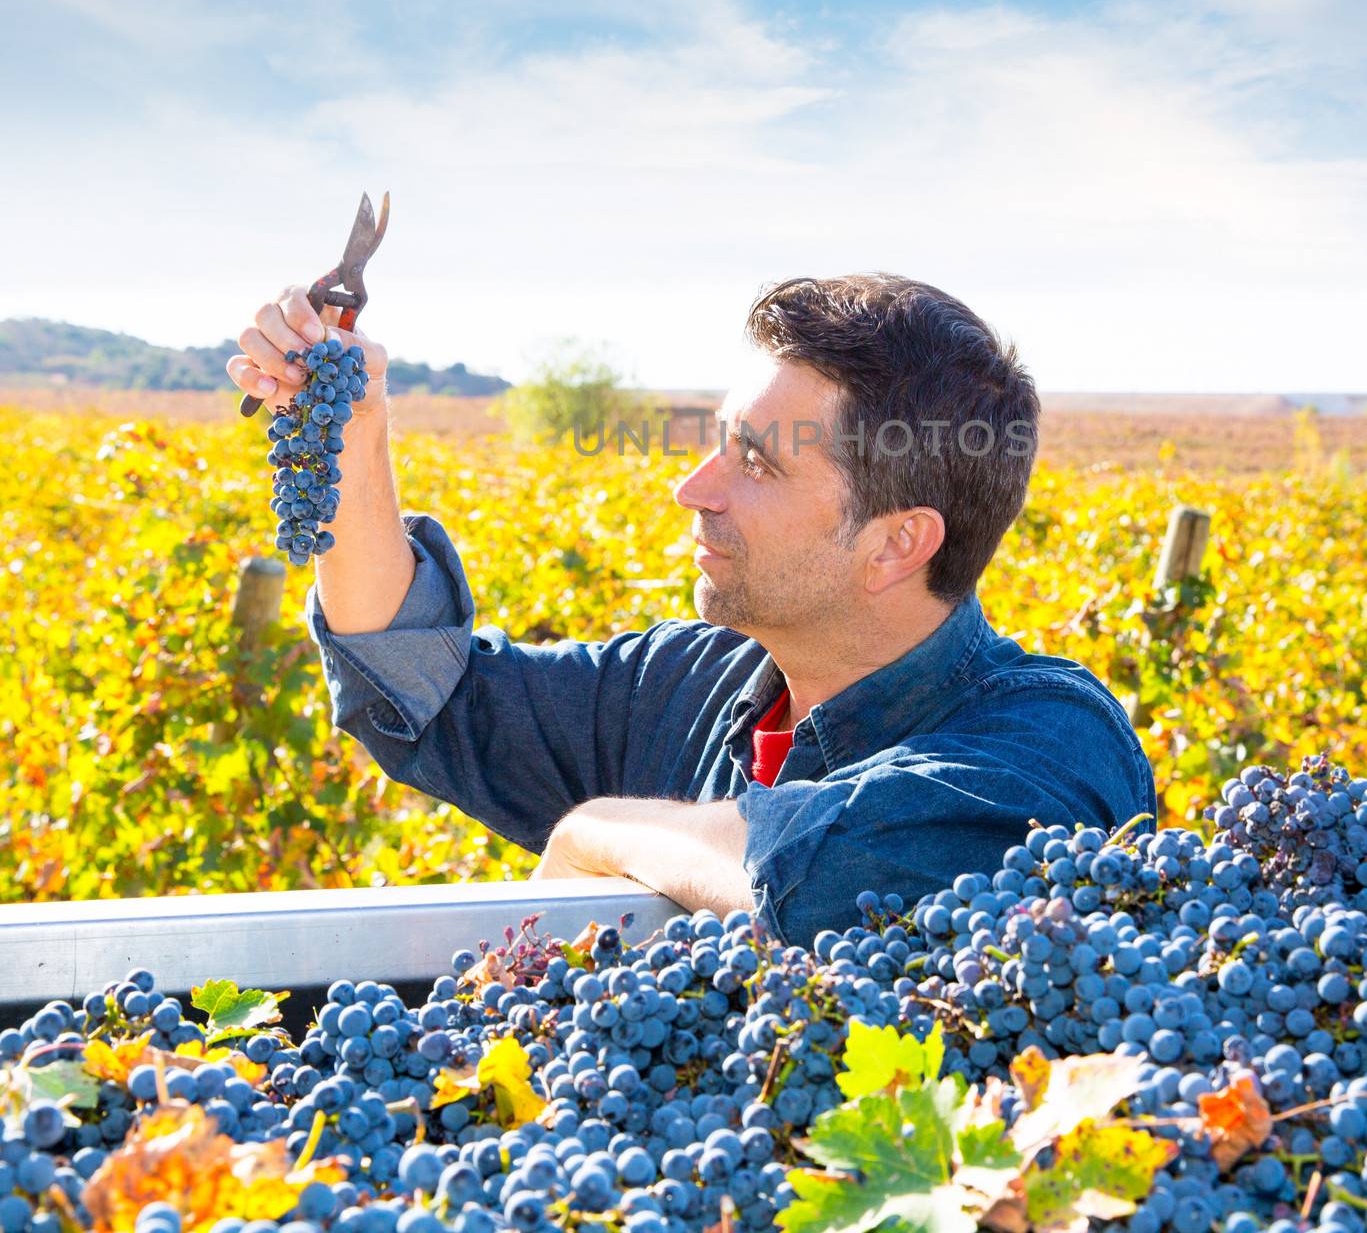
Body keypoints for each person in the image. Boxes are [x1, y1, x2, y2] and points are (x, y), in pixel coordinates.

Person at [228, 273, 1156, 946]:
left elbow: (840, 874)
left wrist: (595, 831)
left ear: (896, 542)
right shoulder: (694, 680)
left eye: (755, 461)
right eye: (718, 443)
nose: (692, 488)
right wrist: (351, 428)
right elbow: (426, 686)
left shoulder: (1053, 739)